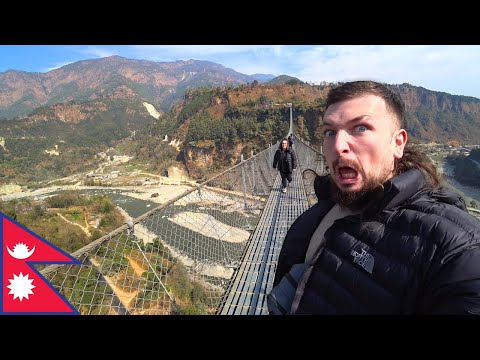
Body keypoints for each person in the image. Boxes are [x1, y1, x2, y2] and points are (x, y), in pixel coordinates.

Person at [270, 80, 480, 314]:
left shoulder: (458, 248)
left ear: (397, 143)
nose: (338, 146)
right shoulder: (327, 205)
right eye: (329, 132)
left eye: (360, 128)